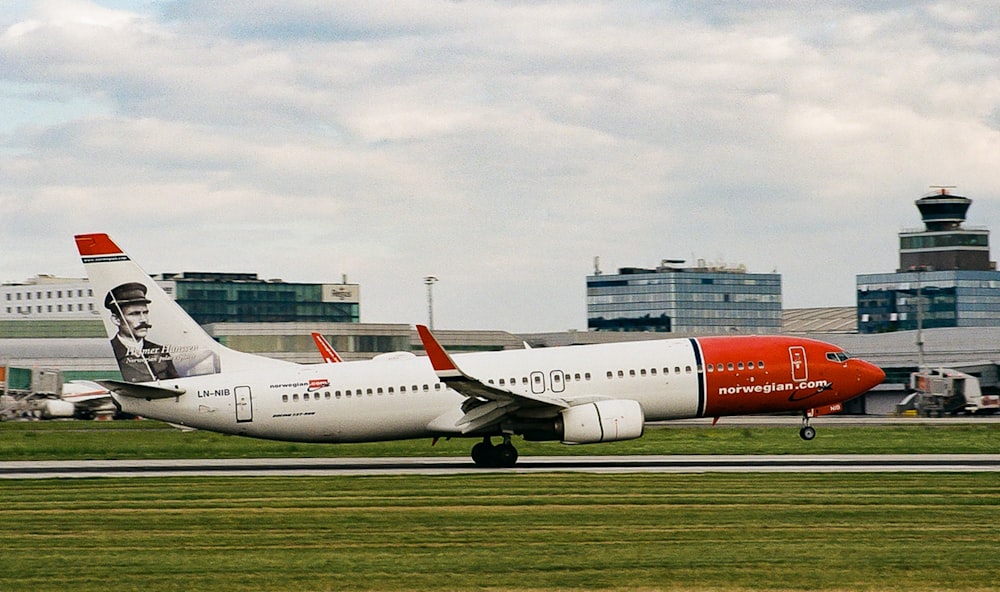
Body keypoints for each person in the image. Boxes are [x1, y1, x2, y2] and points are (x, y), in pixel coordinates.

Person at [105, 282, 179, 382]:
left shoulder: (160, 351)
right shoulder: (111, 351)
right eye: (134, 314)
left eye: (145, 312)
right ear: (116, 320)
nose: (143, 319)